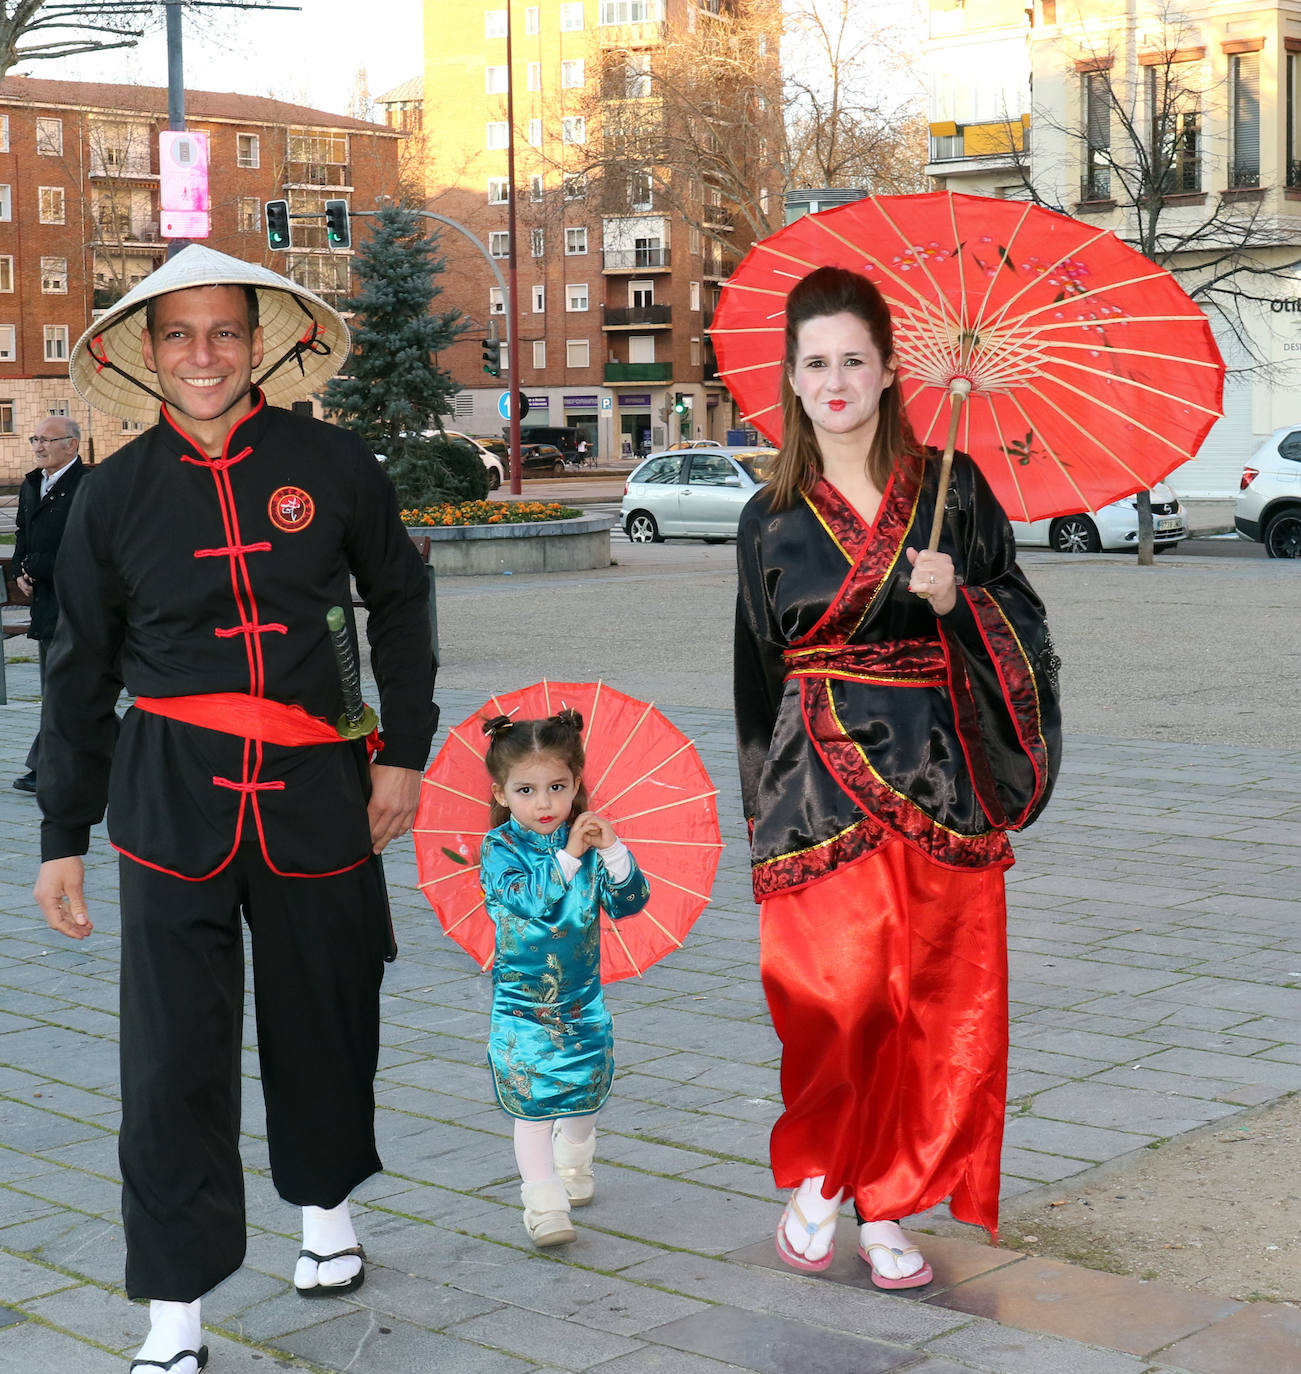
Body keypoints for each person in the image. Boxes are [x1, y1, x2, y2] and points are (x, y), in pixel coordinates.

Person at [32, 245, 437, 1374]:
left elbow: (394, 604)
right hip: (168, 802)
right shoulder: (109, 497)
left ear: (261, 341)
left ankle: (323, 1207)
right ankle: (174, 1305)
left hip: (318, 792)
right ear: (140, 353)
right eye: (178, 335)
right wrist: (63, 836)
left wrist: (398, 752)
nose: (203, 355)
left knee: (327, 1011)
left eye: (223, 331)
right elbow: (75, 674)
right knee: (169, 1059)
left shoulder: (336, 463)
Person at [733, 266, 1061, 1287]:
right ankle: (824, 1176)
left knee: (933, 1004)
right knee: (836, 1006)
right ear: (790, 378)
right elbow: (753, 674)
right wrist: (759, 815)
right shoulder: (767, 516)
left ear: (886, 371)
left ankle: (888, 1202)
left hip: (940, 780)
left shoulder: (953, 489)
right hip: (813, 792)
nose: (834, 381)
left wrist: (959, 597)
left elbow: (1025, 622)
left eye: (853, 361)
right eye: (815, 363)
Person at [478, 710, 650, 1247]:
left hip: (582, 1000)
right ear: (502, 794)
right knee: (532, 1105)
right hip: (523, 1005)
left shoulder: (591, 843)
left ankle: (574, 1162)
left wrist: (614, 852)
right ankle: (543, 1202)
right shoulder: (499, 850)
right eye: (526, 790)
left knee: (588, 1094)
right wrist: (572, 856)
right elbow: (530, 900)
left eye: (558, 787)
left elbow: (629, 904)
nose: (545, 803)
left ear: (578, 783)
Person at [10, 415, 86, 793]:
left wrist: (39, 567)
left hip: (78, 605)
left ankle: (46, 768)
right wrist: (20, 569)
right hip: (44, 604)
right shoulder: (32, 484)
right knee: (60, 689)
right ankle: (121, 755)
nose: (38, 446)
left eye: (46, 440)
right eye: (34, 438)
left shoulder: (87, 486)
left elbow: (88, 548)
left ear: (71, 445)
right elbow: (24, 531)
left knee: (67, 689)